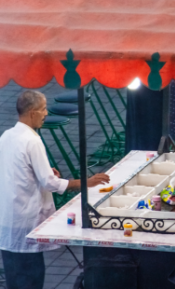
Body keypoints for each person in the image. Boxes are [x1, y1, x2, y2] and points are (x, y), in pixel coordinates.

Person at [0, 90, 110, 289]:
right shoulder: (32, 141)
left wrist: (38, 171)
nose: (46, 114)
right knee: (30, 280)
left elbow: (13, 168)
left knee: (14, 279)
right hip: (26, 221)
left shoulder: (7, 136)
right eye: (43, 109)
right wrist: (85, 182)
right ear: (32, 112)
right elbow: (50, 183)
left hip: (8, 223)